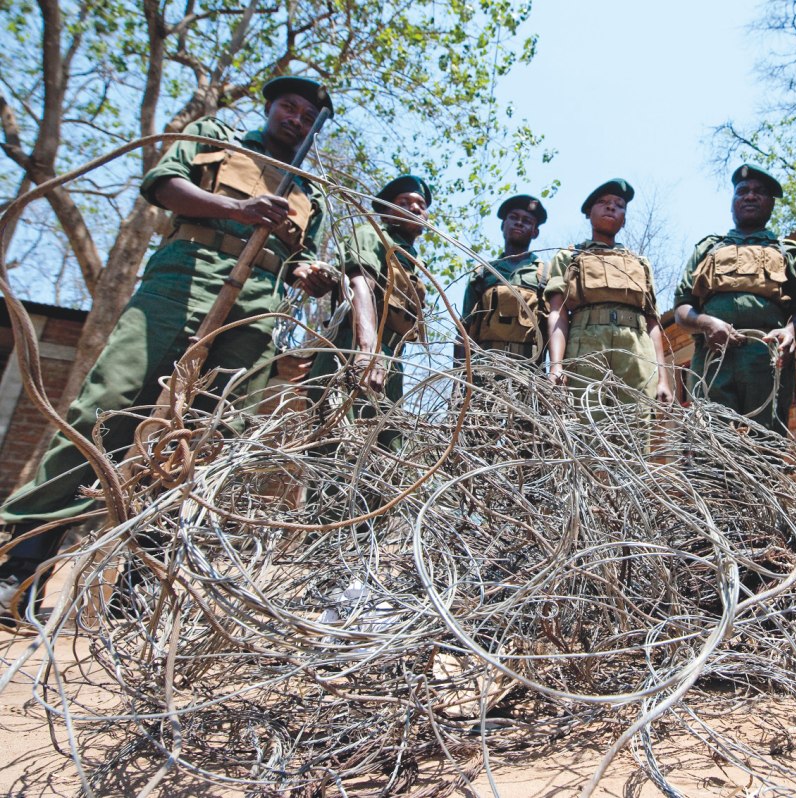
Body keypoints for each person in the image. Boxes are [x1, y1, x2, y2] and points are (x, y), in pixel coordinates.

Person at [0, 76, 335, 623]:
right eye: (288, 106)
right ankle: (26, 562)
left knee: (208, 436)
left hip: (257, 308)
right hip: (182, 280)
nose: (296, 119)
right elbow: (163, 185)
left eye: (306, 115)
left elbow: (303, 256)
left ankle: (140, 587)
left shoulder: (309, 192)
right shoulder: (217, 136)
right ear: (269, 107)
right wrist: (243, 208)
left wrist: (309, 274)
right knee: (109, 405)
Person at [674, 165, 796, 435]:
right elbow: (682, 308)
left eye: (759, 192)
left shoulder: (788, 252)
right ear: (732, 203)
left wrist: (790, 331)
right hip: (712, 361)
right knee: (710, 448)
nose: (750, 196)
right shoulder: (708, 249)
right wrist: (705, 323)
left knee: (766, 449)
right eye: (742, 191)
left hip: (766, 362)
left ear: (771, 204)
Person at [545, 179, 674, 422]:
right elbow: (557, 313)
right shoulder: (570, 257)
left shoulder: (640, 263)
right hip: (586, 348)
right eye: (603, 202)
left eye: (619, 205)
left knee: (636, 435)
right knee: (586, 433)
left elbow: (653, 324)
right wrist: (556, 367)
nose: (611, 207)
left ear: (624, 218)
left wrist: (663, 379)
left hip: (637, 351)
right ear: (588, 213)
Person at [310, 174, 430, 403]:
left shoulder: (413, 261)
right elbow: (360, 283)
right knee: (343, 433)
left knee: (389, 435)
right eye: (403, 203)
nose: (414, 208)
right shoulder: (372, 234)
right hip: (355, 349)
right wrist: (367, 351)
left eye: (421, 205)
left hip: (390, 358)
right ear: (387, 210)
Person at [459, 194, 550, 363]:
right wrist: (459, 380)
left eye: (527, 220)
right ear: (503, 225)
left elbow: (552, 327)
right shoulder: (482, 274)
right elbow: (464, 328)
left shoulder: (546, 274)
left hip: (528, 369)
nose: (519, 223)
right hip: (485, 366)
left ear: (535, 232)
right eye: (513, 217)